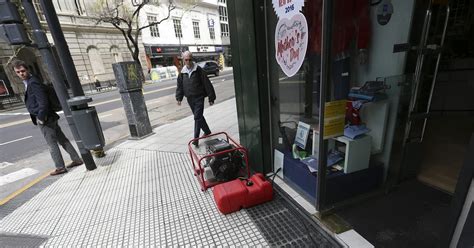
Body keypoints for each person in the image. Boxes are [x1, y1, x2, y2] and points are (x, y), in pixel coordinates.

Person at [12, 59, 83, 176]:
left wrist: (40, 117)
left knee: (52, 143)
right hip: (50, 117)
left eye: (23, 71)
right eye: (18, 72)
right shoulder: (31, 81)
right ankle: (77, 159)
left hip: (45, 118)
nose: (21, 74)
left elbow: (43, 102)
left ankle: (60, 167)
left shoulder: (33, 82)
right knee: (62, 139)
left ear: (27, 69)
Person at [176, 51, 216, 147]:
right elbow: (180, 86)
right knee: (199, 117)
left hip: (199, 97)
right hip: (190, 98)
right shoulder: (182, 72)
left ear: (192, 59)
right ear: (183, 60)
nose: (188, 62)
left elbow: (207, 83)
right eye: (186, 60)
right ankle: (207, 131)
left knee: (197, 117)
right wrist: (179, 97)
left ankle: (196, 139)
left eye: (190, 59)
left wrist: (211, 97)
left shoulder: (198, 70)